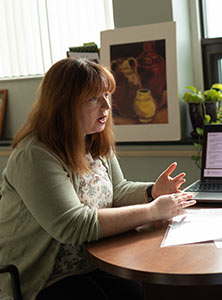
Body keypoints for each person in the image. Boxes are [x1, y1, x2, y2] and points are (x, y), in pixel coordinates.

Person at [0, 58, 196, 300]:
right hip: (43, 277)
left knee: (137, 291)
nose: (106, 106)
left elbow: (118, 190)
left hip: (93, 262)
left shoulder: (92, 140)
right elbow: (74, 225)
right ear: (63, 104)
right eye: (93, 98)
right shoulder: (35, 154)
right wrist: (153, 211)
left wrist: (152, 191)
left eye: (107, 95)